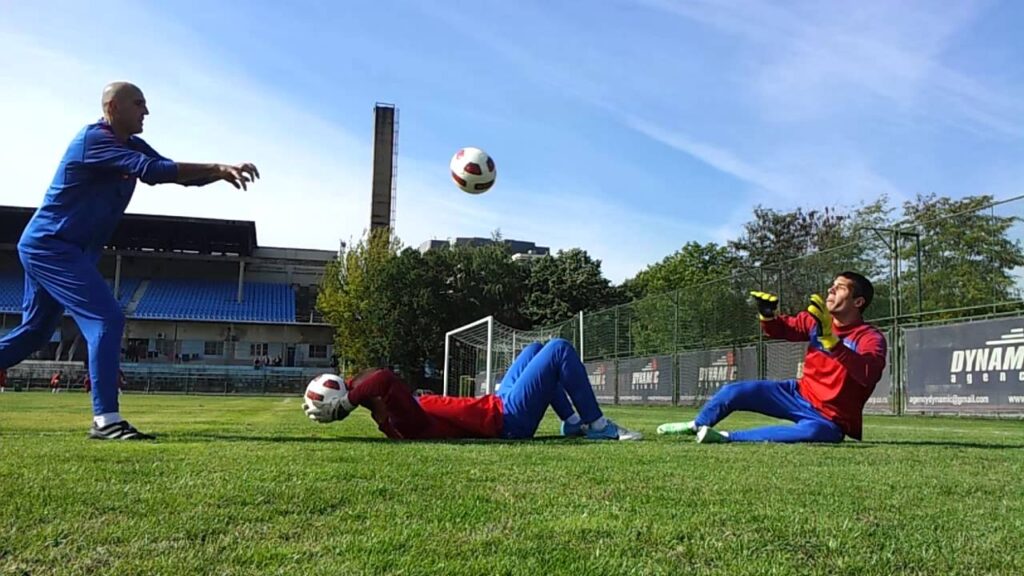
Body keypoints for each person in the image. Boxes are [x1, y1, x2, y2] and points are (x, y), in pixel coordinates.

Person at [0, 82, 259, 440]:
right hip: (51, 246)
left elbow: (168, 171)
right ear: (113, 107)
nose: (146, 112)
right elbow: (152, 172)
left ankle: (105, 418)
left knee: (34, 333)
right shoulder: (94, 140)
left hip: (66, 251)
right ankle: (106, 420)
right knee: (106, 317)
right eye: (139, 104)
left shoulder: (131, 144)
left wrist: (219, 172)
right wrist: (214, 165)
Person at [658, 272, 887, 444]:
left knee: (816, 433)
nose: (830, 289)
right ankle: (696, 425)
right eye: (832, 285)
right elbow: (781, 330)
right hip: (797, 393)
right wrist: (767, 315)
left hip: (829, 417)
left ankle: (725, 437)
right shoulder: (816, 320)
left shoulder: (870, 337)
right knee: (734, 391)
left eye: (840, 288)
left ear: (858, 302)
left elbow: (868, 374)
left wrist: (833, 343)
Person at [304, 338, 642, 441]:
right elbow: (383, 378)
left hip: (498, 403)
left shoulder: (394, 413)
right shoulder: (400, 422)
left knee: (536, 349)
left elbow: (376, 382)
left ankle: (571, 422)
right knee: (558, 350)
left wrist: (348, 395)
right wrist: (348, 401)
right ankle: (598, 426)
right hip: (507, 421)